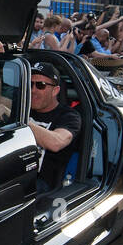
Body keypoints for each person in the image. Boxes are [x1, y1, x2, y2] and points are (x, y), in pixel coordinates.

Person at [27, 61, 81, 191]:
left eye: (41, 85)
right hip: (13, 175)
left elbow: (56, 142)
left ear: (55, 90)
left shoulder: (69, 116)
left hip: (42, 184)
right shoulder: (24, 107)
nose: (33, 90)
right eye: (30, 84)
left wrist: (22, 121)